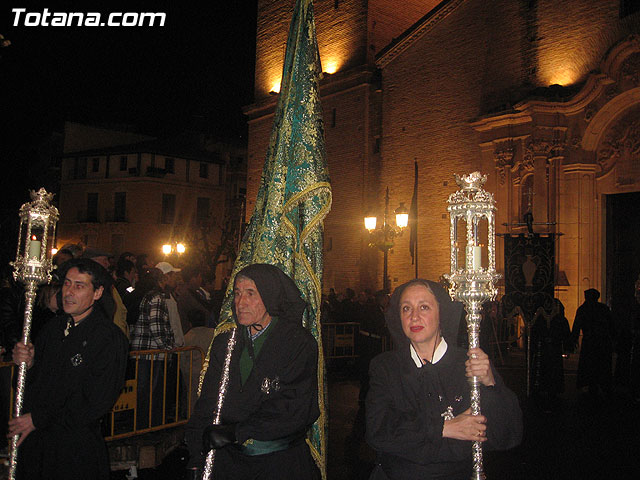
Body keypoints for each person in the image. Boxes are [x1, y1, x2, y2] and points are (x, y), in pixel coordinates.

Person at [365, 279, 522, 479]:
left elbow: (509, 434)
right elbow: (378, 431)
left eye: (424, 307)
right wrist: (445, 428)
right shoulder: (385, 367)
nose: (414, 317)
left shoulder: (469, 365)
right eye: (406, 309)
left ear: (441, 314)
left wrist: (490, 383)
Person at [185, 264, 320, 479]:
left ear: (270, 296)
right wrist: (195, 453)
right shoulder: (225, 343)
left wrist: (237, 431)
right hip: (229, 465)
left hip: (278, 465)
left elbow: (293, 407)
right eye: (237, 294)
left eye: (250, 294)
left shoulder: (297, 343)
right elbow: (208, 403)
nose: (240, 303)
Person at [9, 258, 128, 480]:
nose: (69, 292)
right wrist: (27, 364)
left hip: (73, 451)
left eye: (79, 286)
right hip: (38, 446)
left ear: (98, 293)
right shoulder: (53, 328)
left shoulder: (109, 339)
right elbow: (31, 385)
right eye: (66, 283)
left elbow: (95, 402)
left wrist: (39, 418)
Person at [130, 267, 177, 429]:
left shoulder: (150, 295)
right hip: (152, 352)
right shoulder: (157, 297)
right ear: (164, 278)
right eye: (172, 276)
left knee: (146, 391)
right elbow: (156, 325)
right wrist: (167, 346)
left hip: (146, 350)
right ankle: (148, 425)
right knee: (150, 392)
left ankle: (144, 424)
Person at [572, 288, 615, 396]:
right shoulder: (603, 309)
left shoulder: (583, 309)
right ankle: (602, 386)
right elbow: (611, 326)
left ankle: (592, 386)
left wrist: (573, 340)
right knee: (601, 366)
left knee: (590, 366)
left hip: (590, 342)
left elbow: (576, 327)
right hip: (602, 343)